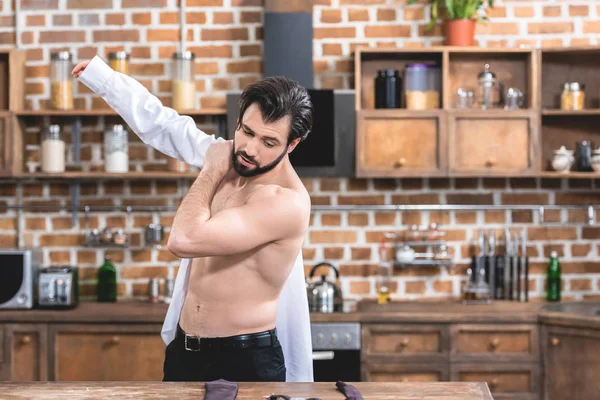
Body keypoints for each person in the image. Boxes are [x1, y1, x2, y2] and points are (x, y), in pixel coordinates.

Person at [73, 55, 314, 382]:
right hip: (185, 351)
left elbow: (183, 240)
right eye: (246, 131)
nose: (249, 149)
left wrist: (213, 168)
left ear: (293, 144)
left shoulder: (285, 202)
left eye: (269, 142)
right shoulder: (235, 159)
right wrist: (104, 79)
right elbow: (165, 125)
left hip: (244, 359)